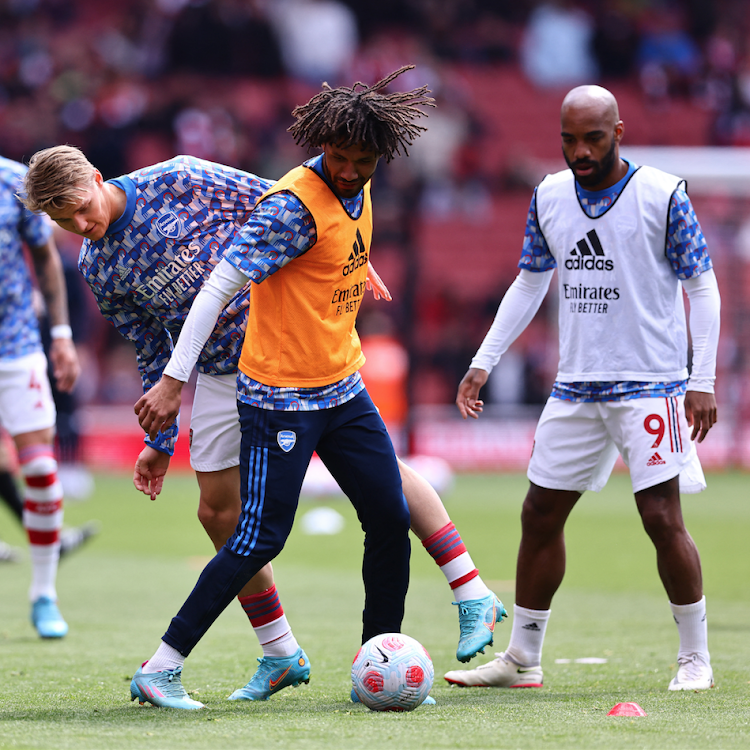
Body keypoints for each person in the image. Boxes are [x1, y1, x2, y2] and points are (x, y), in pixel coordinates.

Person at [22, 70, 504, 705]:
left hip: (286, 343)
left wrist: (350, 260)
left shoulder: (181, 178)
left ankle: (466, 588)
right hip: (222, 372)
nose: (79, 225)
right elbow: (149, 346)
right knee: (221, 515)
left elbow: (285, 202)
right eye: (64, 221)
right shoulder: (99, 266)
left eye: (80, 207)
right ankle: (280, 652)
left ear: (94, 178)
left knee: (368, 489)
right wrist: (160, 435)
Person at [444, 84, 720, 694]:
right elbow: (528, 282)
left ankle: (695, 657)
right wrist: (483, 360)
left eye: (593, 138)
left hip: (651, 385)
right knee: (539, 513)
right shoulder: (548, 196)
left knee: (660, 516)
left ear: (618, 131)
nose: (580, 151)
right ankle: (523, 659)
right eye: (569, 139)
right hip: (576, 386)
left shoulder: (663, 194)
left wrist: (701, 380)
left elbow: (702, 286)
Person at [0, 154, 82, 638]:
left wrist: (61, 333)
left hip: (16, 347)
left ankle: (44, 594)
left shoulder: (15, 183)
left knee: (41, 470)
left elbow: (47, 257)